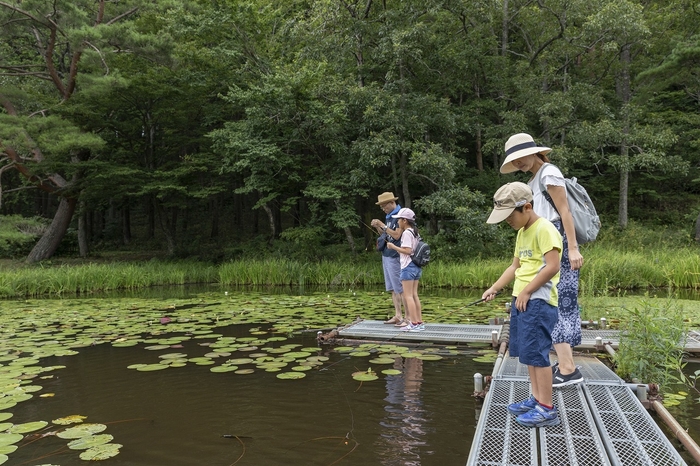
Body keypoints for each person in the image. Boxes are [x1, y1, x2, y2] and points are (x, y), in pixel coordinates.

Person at [501, 132, 584, 388]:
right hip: (544, 241)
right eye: (514, 162)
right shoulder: (536, 177)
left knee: (557, 301)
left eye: (521, 158)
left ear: (534, 152)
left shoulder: (548, 172)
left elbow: (564, 211)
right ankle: (566, 363)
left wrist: (573, 248)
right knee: (553, 300)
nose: (519, 164)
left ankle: (569, 369)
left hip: (557, 240)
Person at [482, 182, 562, 427]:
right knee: (528, 353)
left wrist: (527, 290)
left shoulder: (544, 229)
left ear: (526, 207)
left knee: (538, 353)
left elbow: (553, 266)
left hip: (538, 300)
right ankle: (537, 399)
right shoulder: (521, 232)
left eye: (509, 217)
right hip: (523, 299)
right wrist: (495, 287)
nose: (508, 222)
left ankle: (547, 409)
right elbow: (515, 267)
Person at [386, 207, 424, 332]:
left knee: (408, 296)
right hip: (416, 267)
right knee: (414, 295)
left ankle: (413, 323)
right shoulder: (415, 232)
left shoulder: (407, 233)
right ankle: (419, 322)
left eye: (399, 220)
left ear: (405, 221)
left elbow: (407, 251)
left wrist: (393, 247)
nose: (397, 222)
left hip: (408, 267)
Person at [371, 192, 406, 325]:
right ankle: (397, 315)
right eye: (381, 207)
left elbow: (397, 235)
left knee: (400, 288)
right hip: (386, 254)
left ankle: (405, 318)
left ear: (392, 203)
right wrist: (379, 227)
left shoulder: (400, 215)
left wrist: (382, 224)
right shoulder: (388, 216)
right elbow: (385, 234)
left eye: (384, 206)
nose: (383, 209)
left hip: (395, 255)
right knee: (392, 288)